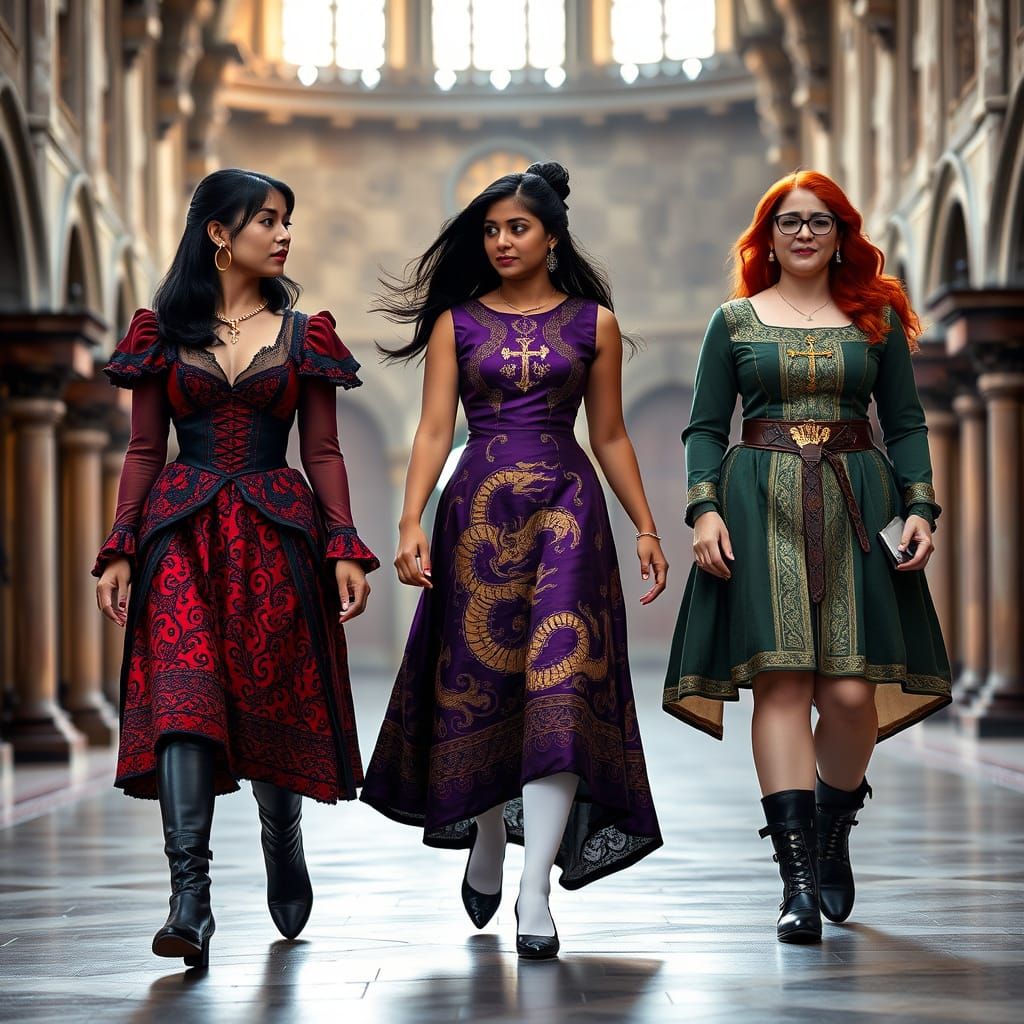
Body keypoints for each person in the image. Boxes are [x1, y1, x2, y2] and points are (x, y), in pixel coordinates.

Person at [359, 162, 666, 959]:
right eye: (490, 229)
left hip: (569, 512)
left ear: (552, 238)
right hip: (477, 508)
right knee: (484, 685)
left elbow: (611, 435)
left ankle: (535, 893)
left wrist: (644, 527)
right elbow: (432, 432)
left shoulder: (595, 322)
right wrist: (409, 520)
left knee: (561, 687)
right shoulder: (455, 325)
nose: (500, 241)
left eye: (516, 228)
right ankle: (489, 834)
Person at [93, 169, 378, 968]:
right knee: (182, 696)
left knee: (266, 696)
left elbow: (321, 449)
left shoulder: (305, 332)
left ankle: (281, 836)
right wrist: (120, 545)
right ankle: (190, 899)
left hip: (274, 532)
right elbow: (146, 446)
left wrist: (344, 545)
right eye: (268, 219)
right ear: (220, 233)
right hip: (178, 531)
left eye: (287, 220)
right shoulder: (160, 328)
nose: (284, 234)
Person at [664, 170, 952, 943]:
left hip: (860, 502)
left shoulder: (876, 318)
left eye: (818, 222)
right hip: (758, 504)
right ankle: (795, 880)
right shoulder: (734, 321)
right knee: (782, 686)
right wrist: (704, 508)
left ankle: (831, 827)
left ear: (840, 234)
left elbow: (904, 419)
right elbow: (702, 427)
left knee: (852, 696)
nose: (802, 233)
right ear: (767, 234)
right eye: (787, 221)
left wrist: (921, 505)